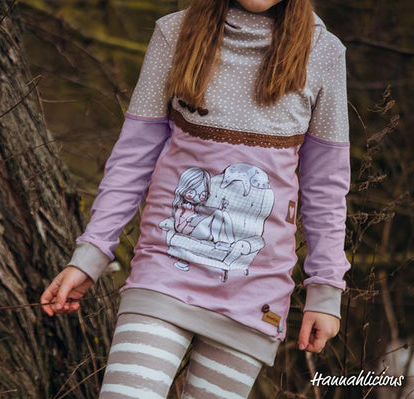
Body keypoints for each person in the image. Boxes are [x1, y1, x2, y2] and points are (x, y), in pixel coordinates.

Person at [41, 0, 351, 397]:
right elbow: (133, 157)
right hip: (163, 276)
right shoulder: (175, 33)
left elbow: (326, 186)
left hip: (254, 297)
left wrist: (325, 291)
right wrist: (91, 255)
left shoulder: (323, 52)